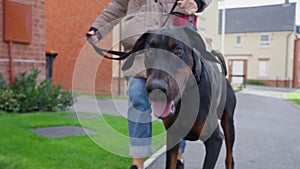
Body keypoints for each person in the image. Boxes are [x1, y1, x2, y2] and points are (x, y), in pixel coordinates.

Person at [86, 0, 211, 168]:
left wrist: (198, 2)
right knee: (137, 96)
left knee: (179, 105)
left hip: (175, 51)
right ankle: (138, 161)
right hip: (143, 49)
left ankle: (178, 156)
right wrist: (97, 28)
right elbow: (117, 6)